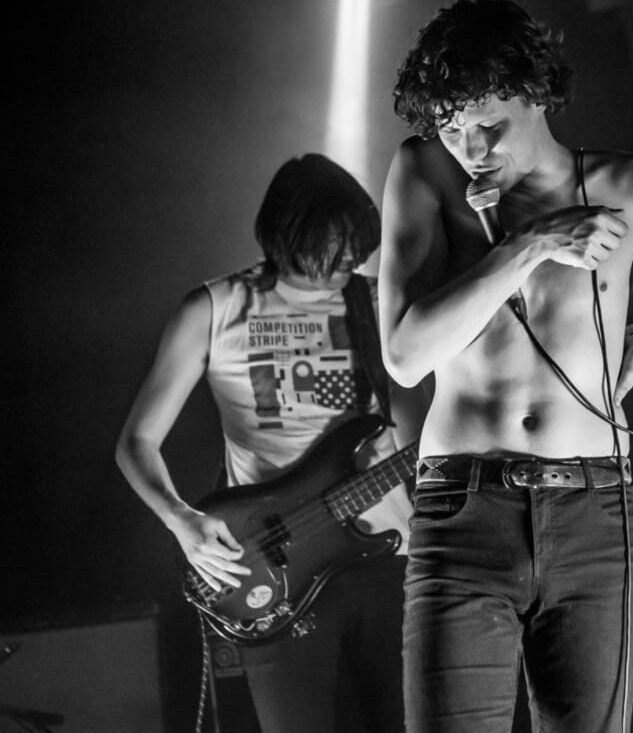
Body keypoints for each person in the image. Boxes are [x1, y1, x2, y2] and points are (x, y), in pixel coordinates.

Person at [379, 0, 633, 733]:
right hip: (465, 507)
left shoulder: (632, 187)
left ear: (535, 93)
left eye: (489, 125)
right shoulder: (424, 171)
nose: (472, 148)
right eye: (453, 130)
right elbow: (404, 356)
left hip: (593, 508)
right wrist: (531, 244)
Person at [115, 153, 424, 733]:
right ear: (290, 233)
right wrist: (182, 521)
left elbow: (419, 421)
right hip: (276, 565)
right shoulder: (214, 309)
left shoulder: (377, 303)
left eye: (359, 241)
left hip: (389, 556)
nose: (354, 257)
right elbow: (136, 441)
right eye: (337, 242)